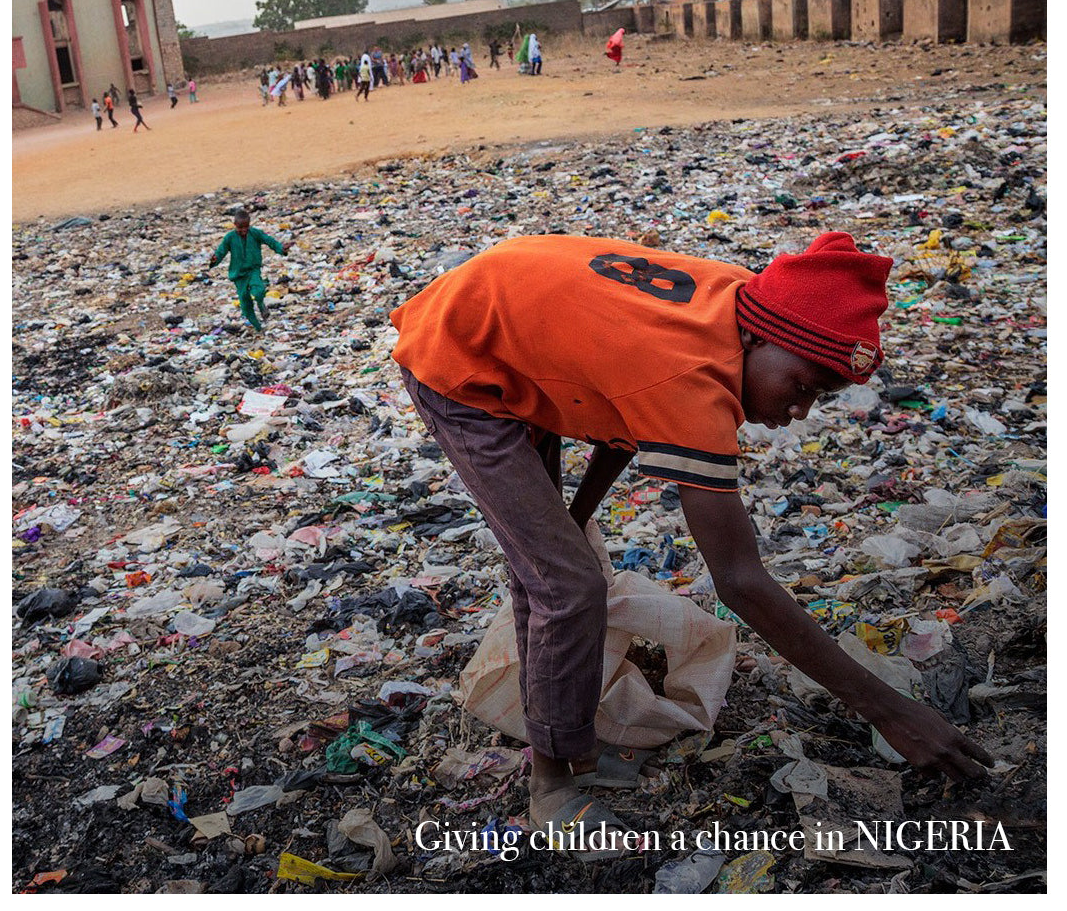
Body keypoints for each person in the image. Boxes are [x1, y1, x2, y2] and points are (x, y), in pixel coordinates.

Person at [389, 232, 993, 851]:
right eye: (803, 386)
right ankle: (552, 785)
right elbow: (741, 582)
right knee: (567, 585)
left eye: (817, 398)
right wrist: (891, 712)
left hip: (518, 318)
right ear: (760, 339)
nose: (801, 411)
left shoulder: (742, 305)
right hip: (459, 350)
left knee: (554, 573)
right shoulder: (690, 377)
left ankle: (566, 743)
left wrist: (573, 517)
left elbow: (623, 415)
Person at [207, 208, 291, 333]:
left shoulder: (255, 233)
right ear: (235, 225)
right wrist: (215, 259)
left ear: (249, 224)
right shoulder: (229, 237)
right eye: (240, 228)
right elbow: (221, 251)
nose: (243, 230)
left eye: (246, 227)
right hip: (238, 274)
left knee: (259, 291)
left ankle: (261, 305)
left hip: (253, 269)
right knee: (245, 304)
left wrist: (281, 248)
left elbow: (269, 241)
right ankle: (258, 328)